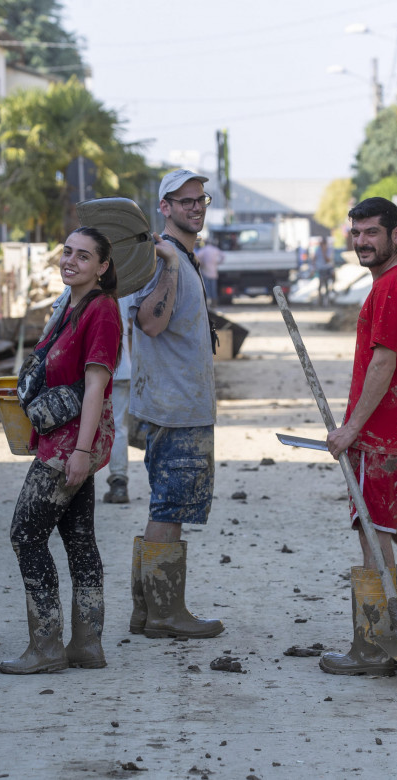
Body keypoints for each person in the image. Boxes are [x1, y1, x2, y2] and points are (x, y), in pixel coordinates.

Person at [320, 197, 397, 676]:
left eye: (373, 232)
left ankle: (373, 646)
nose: (363, 242)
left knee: (372, 533)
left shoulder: (391, 287)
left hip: (382, 435)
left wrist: (351, 429)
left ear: (396, 235)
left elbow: (384, 362)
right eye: (357, 233)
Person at [0, 226, 123, 674]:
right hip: (65, 440)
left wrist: (82, 452)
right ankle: (87, 645)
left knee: (25, 534)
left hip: (71, 443)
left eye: (84, 256)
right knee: (78, 538)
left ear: (103, 267)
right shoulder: (71, 306)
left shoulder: (102, 311)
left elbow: (96, 386)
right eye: (67, 252)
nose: (70, 261)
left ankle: (46, 647)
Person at [126, 169, 223, 639]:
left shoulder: (183, 256)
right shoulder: (161, 259)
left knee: (165, 505)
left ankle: (148, 611)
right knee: (169, 507)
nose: (195, 207)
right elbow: (150, 323)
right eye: (184, 201)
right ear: (163, 207)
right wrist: (166, 266)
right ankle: (167, 613)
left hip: (177, 402)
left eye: (199, 199)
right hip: (174, 407)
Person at [102, 297, 133, 504]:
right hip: (121, 368)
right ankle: (119, 482)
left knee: (80, 427)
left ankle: (75, 485)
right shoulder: (129, 283)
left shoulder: (78, 276)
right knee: (118, 427)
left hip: (88, 369)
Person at [195, 236, 223, 306]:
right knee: (213, 288)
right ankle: (214, 302)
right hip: (214, 272)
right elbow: (223, 256)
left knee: (206, 288)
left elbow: (196, 257)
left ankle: (207, 302)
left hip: (205, 272)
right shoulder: (215, 249)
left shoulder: (203, 250)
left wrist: (201, 263)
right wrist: (218, 262)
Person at [314, 237, 334, 305]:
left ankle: (327, 300)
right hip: (321, 269)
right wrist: (314, 267)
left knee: (327, 285)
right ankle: (320, 300)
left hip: (327, 269)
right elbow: (314, 257)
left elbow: (328, 260)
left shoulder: (329, 249)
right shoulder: (318, 249)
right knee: (320, 285)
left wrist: (324, 252)